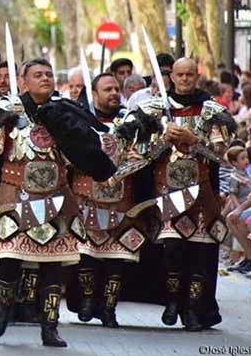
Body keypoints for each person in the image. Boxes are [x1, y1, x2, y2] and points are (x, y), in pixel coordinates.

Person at [0, 58, 116, 347]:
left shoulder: (66, 114)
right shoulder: (4, 114)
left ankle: (50, 326)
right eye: (38, 75)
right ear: (24, 81)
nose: (45, 78)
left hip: (56, 199)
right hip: (12, 198)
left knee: (53, 266)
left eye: (49, 74)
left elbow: (86, 152)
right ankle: (4, 307)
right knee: (7, 259)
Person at [142, 58, 235, 332]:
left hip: (202, 194)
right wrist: (163, 139)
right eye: (179, 74)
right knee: (172, 249)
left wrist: (194, 140)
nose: (184, 79)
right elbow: (142, 154)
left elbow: (221, 155)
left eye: (189, 74)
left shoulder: (212, 111)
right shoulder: (155, 109)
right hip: (166, 192)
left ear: (197, 76)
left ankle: (194, 310)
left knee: (199, 254)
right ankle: (172, 301)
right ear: (171, 76)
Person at [69, 74, 156, 329]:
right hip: (85, 197)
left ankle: (109, 308)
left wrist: (131, 161)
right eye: (108, 89)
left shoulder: (133, 121)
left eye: (117, 89)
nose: (114, 93)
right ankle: (86, 301)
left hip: (122, 200)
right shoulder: (77, 119)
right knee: (86, 254)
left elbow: (144, 156)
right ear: (94, 93)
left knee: (118, 257)